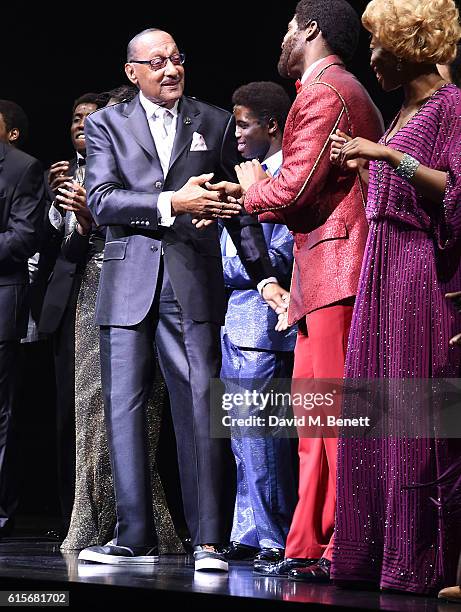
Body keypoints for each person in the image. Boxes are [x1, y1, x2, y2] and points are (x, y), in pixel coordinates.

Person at [78, 28, 278, 571]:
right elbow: (100, 198)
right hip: (127, 285)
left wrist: (263, 277)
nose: (171, 70)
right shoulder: (105, 125)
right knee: (124, 409)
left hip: (191, 281)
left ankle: (209, 540)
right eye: (158, 62)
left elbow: (236, 207)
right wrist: (171, 201)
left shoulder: (211, 122)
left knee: (199, 407)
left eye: (177, 59)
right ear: (132, 72)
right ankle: (134, 537)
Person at [209, 0, 383, 582]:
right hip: (321, 271)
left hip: (339, 268)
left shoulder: (326, 90)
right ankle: (309, 544)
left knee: (333, 423)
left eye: (289, 27)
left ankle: (341, 545)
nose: (282, 37)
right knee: (314, 424)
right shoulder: (334, 87)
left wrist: (241, 194)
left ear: (309, 30)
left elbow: (295, 189)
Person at [329, 0, 461, 594]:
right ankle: (373, 551)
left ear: (406, 47)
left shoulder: (449, 106)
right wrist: (361, 164)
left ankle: (418, 561)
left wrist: (386, 154)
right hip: (381, 267)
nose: (371, 58)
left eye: (377, 46)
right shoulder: (402, 109)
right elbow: (389, 191)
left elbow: (451, 188)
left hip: (414, 272)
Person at [55, 85, 182, 554]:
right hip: (95, 287)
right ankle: (97, 521)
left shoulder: (158, 160)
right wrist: (86, 221)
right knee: (94, 410)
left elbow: (158, 215)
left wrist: (102, 215)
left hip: (149, 282)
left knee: (140, 412)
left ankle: (143, 527)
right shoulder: (89, 172)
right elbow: (72, 245)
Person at [220, 82, 297, 565]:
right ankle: (247, 530)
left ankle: (275, 536)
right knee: (240, 435)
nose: (237, 133)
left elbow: (282, 254)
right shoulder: (245, 176)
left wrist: (250, 200)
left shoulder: (284, 177)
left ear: (272, 124)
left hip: (264, 321)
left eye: (245, 123)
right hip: (237, 316)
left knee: (263, 436)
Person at [0, 105, 46, 535]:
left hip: (1, 299)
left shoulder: (22, 168)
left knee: (1, 412)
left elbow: (24, 236)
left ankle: (0, 509)